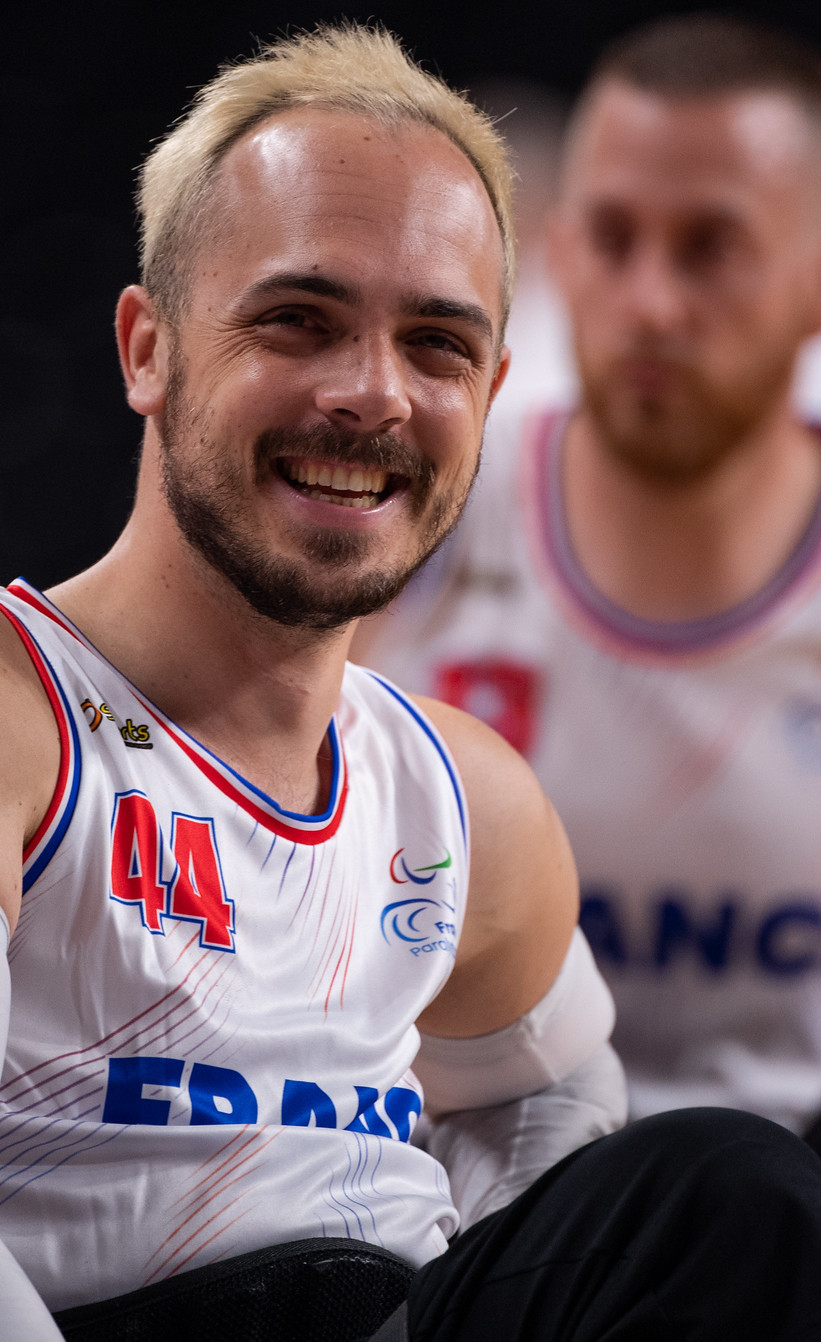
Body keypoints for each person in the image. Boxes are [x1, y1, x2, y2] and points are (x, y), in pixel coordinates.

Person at [0, 24, 821, 1342]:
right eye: (297, 321)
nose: (370, 392)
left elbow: (566, 1174)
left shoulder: (466, 800)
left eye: (434, 346)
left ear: (489, 395)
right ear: (148, 349)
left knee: (729, 1197)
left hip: (368, 1327)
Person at [359, 13, 821, 1154]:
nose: (653, 302)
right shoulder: (413, 502)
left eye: (711, 246)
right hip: (468, 1213)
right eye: (613, 239)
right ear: (556, 258)